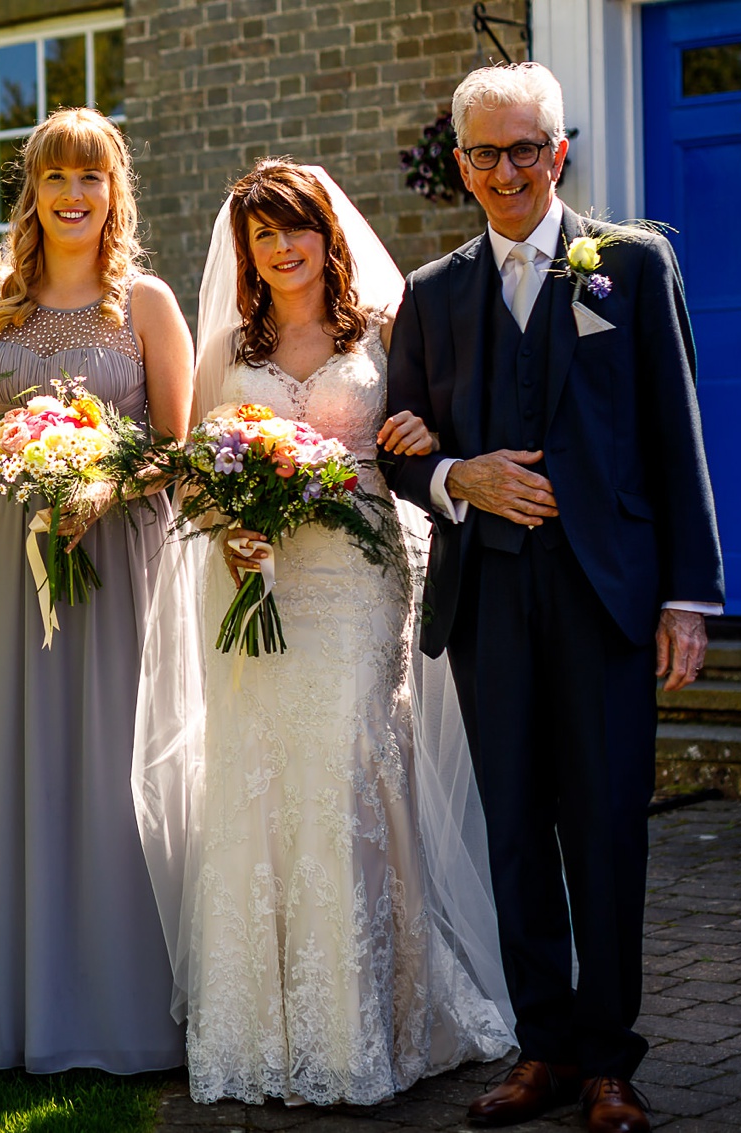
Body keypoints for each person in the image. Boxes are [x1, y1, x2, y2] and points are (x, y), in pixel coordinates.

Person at [382, 63, 724, 1133]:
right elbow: (398, 448)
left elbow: (674, 432)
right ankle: (542, 1049)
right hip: (485, 596)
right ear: (458, 163)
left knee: (605, 828)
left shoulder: (627, 264)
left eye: (523, 147)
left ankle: (608, 1061)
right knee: (515, 830)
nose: (504, 169)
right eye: (481, 152)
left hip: (606, 598)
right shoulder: (431, 293)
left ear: (558, 151)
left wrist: (686, 598)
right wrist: (454, 477)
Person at [134, 158, 514, 1107]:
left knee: (351, 763)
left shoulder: (386, 331)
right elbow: (194, 470)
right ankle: (262, 1024)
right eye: (261, 235)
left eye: (294, 227)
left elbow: (434, 429)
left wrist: (421, 437)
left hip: (357, 576)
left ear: (327, 232)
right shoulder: (226, 346)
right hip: (258, 578)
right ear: (245, 252)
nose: (280, 247)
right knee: (259, 776)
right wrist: (229, 527)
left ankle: (362, 1024)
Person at [0, 107, 194, 1074]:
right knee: (24, 763)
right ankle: (28, 1002)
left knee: (110, 763)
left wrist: (103, 486)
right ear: (32, 190)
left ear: (114, 190)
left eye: (89, 178)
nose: (72, 196)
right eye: (55, 178)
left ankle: (127, 1005)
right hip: (11, 563)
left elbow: (176, 448)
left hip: (117, 554)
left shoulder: (144, 304)